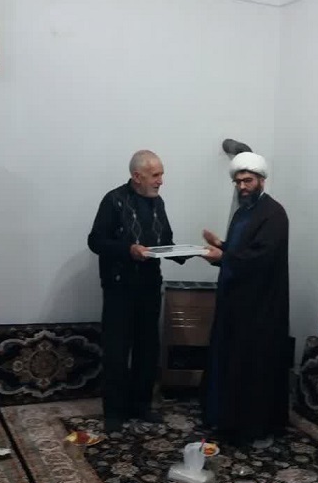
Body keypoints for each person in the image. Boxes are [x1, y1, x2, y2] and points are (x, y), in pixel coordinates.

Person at [88, 150, 182, 433]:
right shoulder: (114, 200)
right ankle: (114, 412)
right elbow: (96, 241)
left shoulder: (157, 202)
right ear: (137, 177)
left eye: (161, 174)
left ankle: (142, 405)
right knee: (117, 351)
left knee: (147, 349)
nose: (161, 181)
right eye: (156, 175)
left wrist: (189, 252)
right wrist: (128, 250)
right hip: (120, 289)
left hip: (149, 288)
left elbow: (165, 240)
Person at [201, 152, 290, 448]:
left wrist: (223, 256)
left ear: (261, 180)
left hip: (259, 308)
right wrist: (221, 246)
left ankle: (254, 429)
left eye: (248, 180)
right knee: (230, 364)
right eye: (238, 181)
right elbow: (241, 251)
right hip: (234, 306)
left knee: (253, 369)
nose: (242, 186)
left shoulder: (274, 214)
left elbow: (260, 257)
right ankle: (227, 422)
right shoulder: (243, 213)